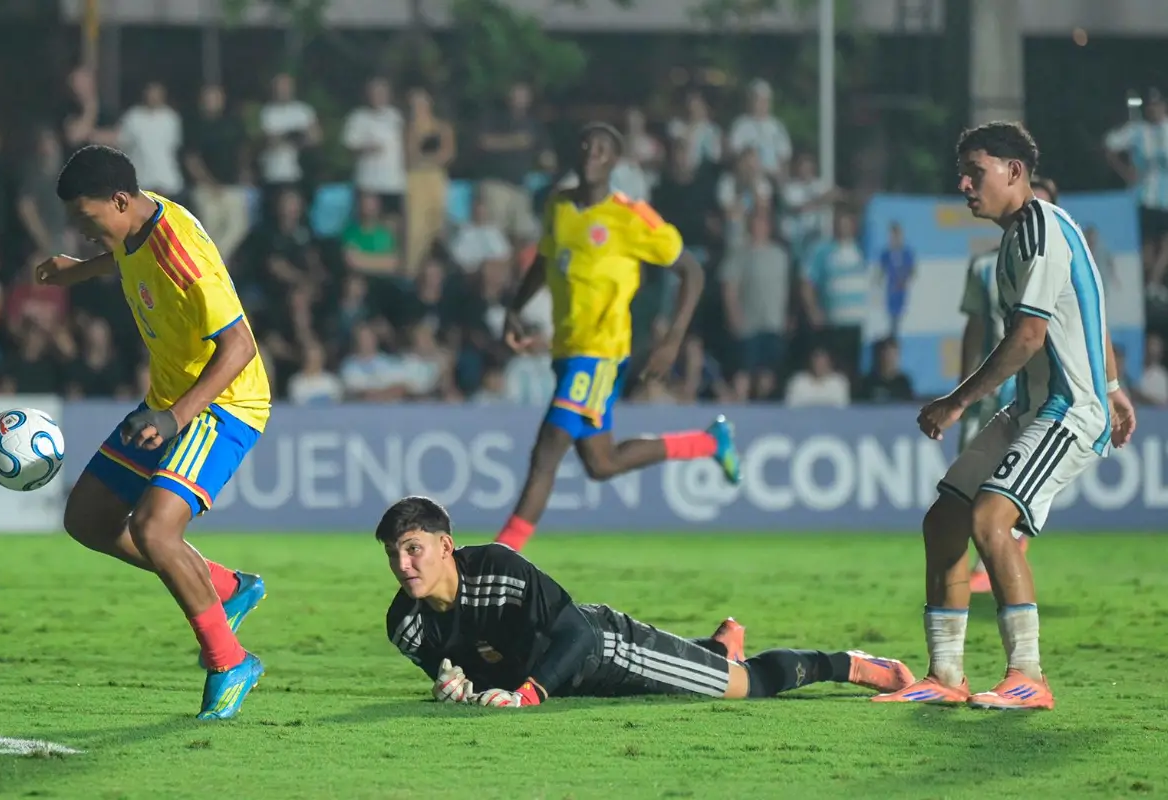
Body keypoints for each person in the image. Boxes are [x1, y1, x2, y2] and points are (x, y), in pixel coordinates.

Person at [874, 122, 1136, 710]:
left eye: (977, 170)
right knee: (944, 519)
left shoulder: (1039, 228)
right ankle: (945, 676)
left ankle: (1029, 677)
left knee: (991, 519)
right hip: (1033, 408)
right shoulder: (1017, 236)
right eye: (961, 173)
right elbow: (1086, 308)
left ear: (1014, 171)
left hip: (1067, 412)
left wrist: (956, 400)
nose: (964, 183)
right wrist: (1118, 386)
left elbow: (1028, 336)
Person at [35, 145, 271, 720]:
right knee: (86, 519)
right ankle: (226, 586)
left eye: (86, 220)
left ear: (119, 200)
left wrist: (175, 417)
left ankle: (229, 661)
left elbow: (240, 346)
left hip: (222, 405)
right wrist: (79, 269)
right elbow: (123, 255)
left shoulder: (181, 252)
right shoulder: (136, 222)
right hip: (168, 399)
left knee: (155, 529)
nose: (82, 230)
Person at [379, 496, 915, 707]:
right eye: (395, 555)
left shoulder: (498, 568)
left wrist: (529, 695)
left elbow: (577, 633)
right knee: (695, 671)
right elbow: (459, 675)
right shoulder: (405, 624)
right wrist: (452, 690)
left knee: (747, 688)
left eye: (414, 549)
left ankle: (851, 665)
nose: (405, 566)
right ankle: (715, 647)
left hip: (605, 651)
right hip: (561, 680)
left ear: (445, 546)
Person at [496, 123, 741, 552]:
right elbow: (546, 259)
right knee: (601, 463)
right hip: (568, 349)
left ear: (616, 160)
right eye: (585, 144)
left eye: (603, 148)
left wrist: (672, 340)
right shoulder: (559, 207)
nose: (592, 152)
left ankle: (497, 558)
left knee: (548, 450)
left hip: (601, 353)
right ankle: (708, 442)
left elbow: (692, 272)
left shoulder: (631, 216)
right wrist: (516, 306)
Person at [961, 175, 1058, 594]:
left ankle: (1003, 560)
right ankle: (983, 562)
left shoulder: (1062, 256)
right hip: (988, 385)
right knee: (969, 476)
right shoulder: (985, 265)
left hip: (1035, 391)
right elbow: (975, 326)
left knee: (1019, 480)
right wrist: (962, 390)